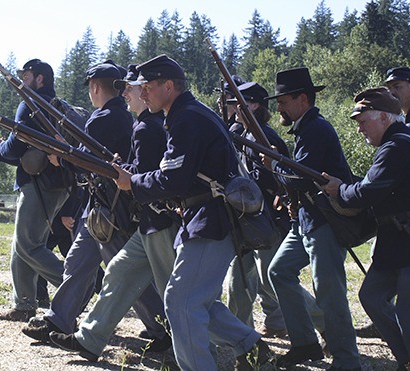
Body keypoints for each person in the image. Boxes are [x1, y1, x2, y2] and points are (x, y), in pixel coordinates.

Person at [87, 54, 273, 371]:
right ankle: (252, 348)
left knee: (180, 301)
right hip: (204, 217)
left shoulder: (186, 118)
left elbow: (174, 178)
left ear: (168, 86)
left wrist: (133, 182)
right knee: (195, 300)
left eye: (147, 87)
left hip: (210, 218)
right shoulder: (185, 114)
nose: (141, 93)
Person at [21, 60, 167, 347]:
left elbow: (88, 162)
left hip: (109, 207)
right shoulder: (122, 118)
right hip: (103, 204)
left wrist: (62, 157)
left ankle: (162, 327)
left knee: (121, 271)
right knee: (80, 262)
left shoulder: (103, 119)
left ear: (95, 86)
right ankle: (58, 319)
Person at [321, 87, 410, 371]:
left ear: (384, 118)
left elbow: (368, 192)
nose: (360, 129)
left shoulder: (396, 146)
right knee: (370, 296)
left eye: (363, 122)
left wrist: (339, 190)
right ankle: (407, 357)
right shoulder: (399, 141)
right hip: (399, 241)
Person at [263, 67, 361, 370]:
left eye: (283, 100)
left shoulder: (316, 128)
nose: (278, 107)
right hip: (306, 220)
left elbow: (300, 177)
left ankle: (347, 360)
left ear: (302, 99)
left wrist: (273, 165)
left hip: (325, 222)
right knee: (279, 271)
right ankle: (305, 344)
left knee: (329, 293)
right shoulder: (306, 128)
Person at [0, 59, 70, 322]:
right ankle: (23, 304)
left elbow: (16, 145)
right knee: (23, 245)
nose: (22, 79)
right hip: (54, 183)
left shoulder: (29, 105)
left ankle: (77, 286)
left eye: (27, 75)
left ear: (39, 79)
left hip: (38, 185)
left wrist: (0, 150)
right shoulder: (56, 106)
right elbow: (24, 148)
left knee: (28, 245)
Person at [223, 82, 291, 339]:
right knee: (239, 278)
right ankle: (237, 332)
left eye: (240, 103)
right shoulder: (249, 135)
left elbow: (278, 179)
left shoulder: (265, 137)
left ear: (254, 105)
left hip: (269, 220)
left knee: (272, 280)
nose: (236, 109)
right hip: (250, 218)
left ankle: (321, 322)